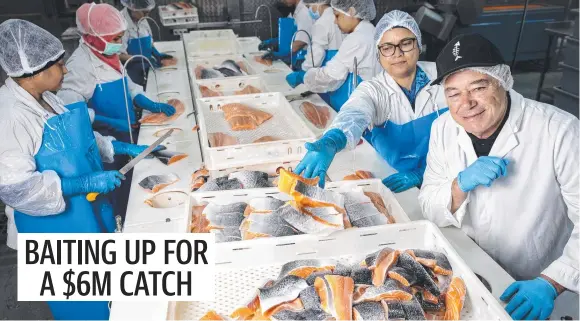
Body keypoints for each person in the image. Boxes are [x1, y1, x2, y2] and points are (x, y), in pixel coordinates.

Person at [0, 19, 158, 320]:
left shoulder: (46, 97)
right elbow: (15, 188)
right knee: (82, 308)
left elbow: (79, 137)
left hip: (85, 217)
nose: (67, 70)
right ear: (38, 71)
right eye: (60, 65)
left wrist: (120, 147)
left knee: (109, 296)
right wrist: (81, 183)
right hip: (52, 232)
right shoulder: (10, 116)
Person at [419, 33, 578, 320]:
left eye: (478, 87)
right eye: (453, 93)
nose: (465, 103)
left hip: (538, 285)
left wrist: (552, 283)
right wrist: (458, 186)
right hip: (470, 273)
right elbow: (428, 204)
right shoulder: (443, 127)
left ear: (503, 81)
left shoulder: (560, 131)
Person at [294, 11, 447, 193]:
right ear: (378, 54)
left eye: (406, 43)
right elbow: (355, 112)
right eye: (387, 47)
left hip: (447, 176)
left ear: (419, 45)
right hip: (395, 182)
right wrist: (333, 140)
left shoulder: (445, 76)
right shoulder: (373, 89)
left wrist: (423, 173)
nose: (397, 53)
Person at [58, 2, 174, 219]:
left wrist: (145, 101)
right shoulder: (78, 68)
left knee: (137, 189)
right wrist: (109, 123)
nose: (120, 44)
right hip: (103, 147)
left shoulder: (106, 54)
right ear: (93, 38)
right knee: (117, 197)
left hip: (126, 134)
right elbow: (72, 118)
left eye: (120, 37)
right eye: (115, 39)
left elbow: (127, 84)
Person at [285, 0, 380, 112]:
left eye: (337, 16)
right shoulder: (370, 30)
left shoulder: (357, 38)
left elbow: (331, 76)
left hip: (363, 104)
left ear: (351, 11)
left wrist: (304, 77)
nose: (335, 21)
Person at [119, 0, 175, 86]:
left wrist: (155, 53)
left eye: (148, 12)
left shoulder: (141, 18)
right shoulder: (121, 22)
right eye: (144, 13)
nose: (146, 16)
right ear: (133, 8)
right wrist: (140, 58)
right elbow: (118, 55)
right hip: (132, 74)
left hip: (146, 69)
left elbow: (148, 40)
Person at [300, 0, 344, 71]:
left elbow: (316, 57)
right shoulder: (340, 18)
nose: (309, 10)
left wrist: (304, 70)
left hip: (328, 69)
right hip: (341, 66)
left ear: (318, 4)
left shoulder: (321, 23)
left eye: (309, 6)